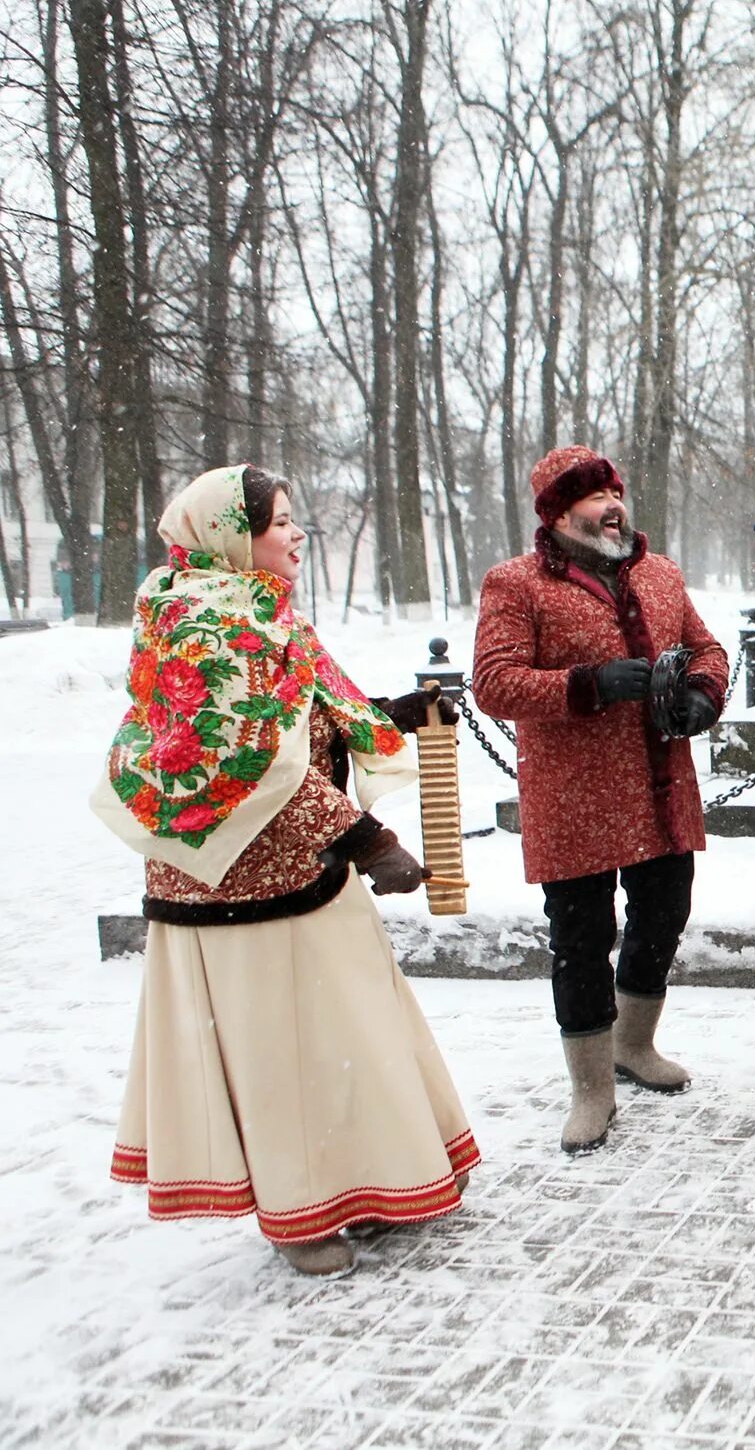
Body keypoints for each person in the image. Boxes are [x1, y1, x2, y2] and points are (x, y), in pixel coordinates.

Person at [94, 465, 477, 1279]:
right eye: (279, 522)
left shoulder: (259, 608)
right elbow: (240, 761)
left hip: (303, 871)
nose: (296, 535)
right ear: (234, 536)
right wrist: (367, 839)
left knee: (346, 1033)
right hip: (236, 887)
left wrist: (388, 719)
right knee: (281, 1056)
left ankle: (371, 1180)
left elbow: (298, 715)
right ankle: (299, 1213)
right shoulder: (204, 623)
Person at [473, 445, 728, 1154]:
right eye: (595, 497)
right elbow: (493, 683)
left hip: (660, 788)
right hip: (574, 797)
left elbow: (708, 649)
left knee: (664, 913)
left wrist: (704, 694)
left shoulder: (661, 573)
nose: (613, 504)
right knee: (581, 941)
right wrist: (588, 683)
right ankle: (591, 1089)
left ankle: (633, 1044)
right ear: (557, 513)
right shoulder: (514, 584)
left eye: (617, 490)